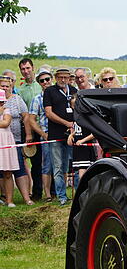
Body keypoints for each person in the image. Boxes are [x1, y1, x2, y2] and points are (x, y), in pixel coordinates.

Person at [44, 66, 77, 205]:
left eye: (66, 77)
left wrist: (74, 125)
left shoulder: (74, 91)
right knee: (57, 167)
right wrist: (66, 123)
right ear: (56, 78)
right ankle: (62, 197)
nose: (63, 80)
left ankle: (75, 195)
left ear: (69, 78)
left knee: (71, 166)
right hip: (56, 135)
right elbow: (49, 113)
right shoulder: (50, 91)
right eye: (60, 77)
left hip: (71, 135)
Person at [0, 76, 33, 205]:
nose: (5, 88)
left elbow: (25, 117)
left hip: (14, 139)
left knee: (18, 167)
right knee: (2, 170)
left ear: (11, 87)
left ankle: (26, 198)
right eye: (2, 86)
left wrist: (28, 134)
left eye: (7, 86)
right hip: (2, 141)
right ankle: (5, 197)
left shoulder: (17, 100)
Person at [17, 58, 43, 200]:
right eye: (23, 69)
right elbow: (24, 114)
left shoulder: (41, 85)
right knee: (36, 163)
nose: (26, 71)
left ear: (33, 68)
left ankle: (52, 192)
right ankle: (37, 193)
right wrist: (28, 133)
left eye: (28, 68)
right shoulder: (21, 91)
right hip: (30, 130)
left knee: (49, 162)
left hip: (44, 126)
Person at [29, 70, 53, 201]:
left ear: (51, 79)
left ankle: (59, 193)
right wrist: (42, 134)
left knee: (61, 165)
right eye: (42, 81)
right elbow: (31, 119)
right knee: (46, 166)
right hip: (46, 135)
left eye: (47, 79)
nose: (45, 82)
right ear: (39, 83)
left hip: (60, 134)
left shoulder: (59, 95)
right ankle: (48, 194)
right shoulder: (37, 99)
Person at [0, 90, 20, 207]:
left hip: (5, 140)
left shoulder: (7, 110)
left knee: (8, 172)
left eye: (2, 102)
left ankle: (9, 200)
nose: (1, 104)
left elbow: (6, 123)